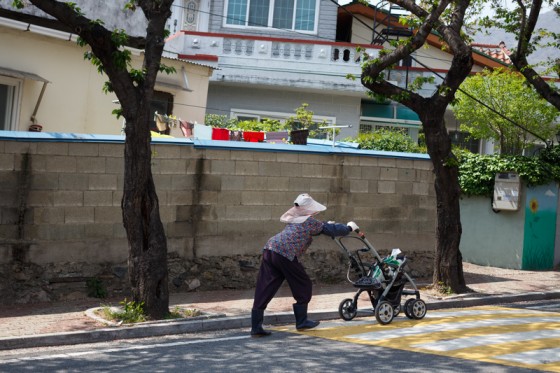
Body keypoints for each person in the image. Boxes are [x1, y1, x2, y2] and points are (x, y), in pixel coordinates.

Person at [250, 193, 359, 337]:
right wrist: (348, 228)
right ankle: (301, 321)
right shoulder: (309, 222)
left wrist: (327, 224)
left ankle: (256, 327)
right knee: (303, 284)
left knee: (266, 286)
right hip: (285, 253)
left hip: (270, 248)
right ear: (308, 210)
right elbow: (330, 230)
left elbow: (319, 227)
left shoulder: (295, 219)